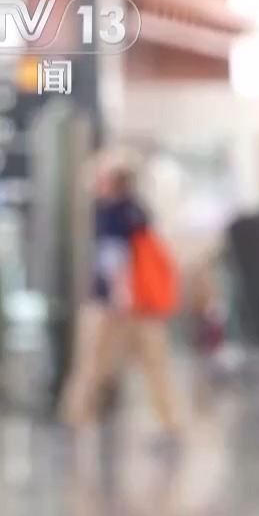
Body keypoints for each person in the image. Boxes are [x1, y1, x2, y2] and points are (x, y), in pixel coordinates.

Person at [59, 158, 183, 439]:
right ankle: (170, 422)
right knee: (155, 365)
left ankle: (75, 417)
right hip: (141, 305)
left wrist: (120, 293)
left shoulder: (111, 214)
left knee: (92, 362)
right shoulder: (138, 211)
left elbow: (114, 256)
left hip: (114, 304)